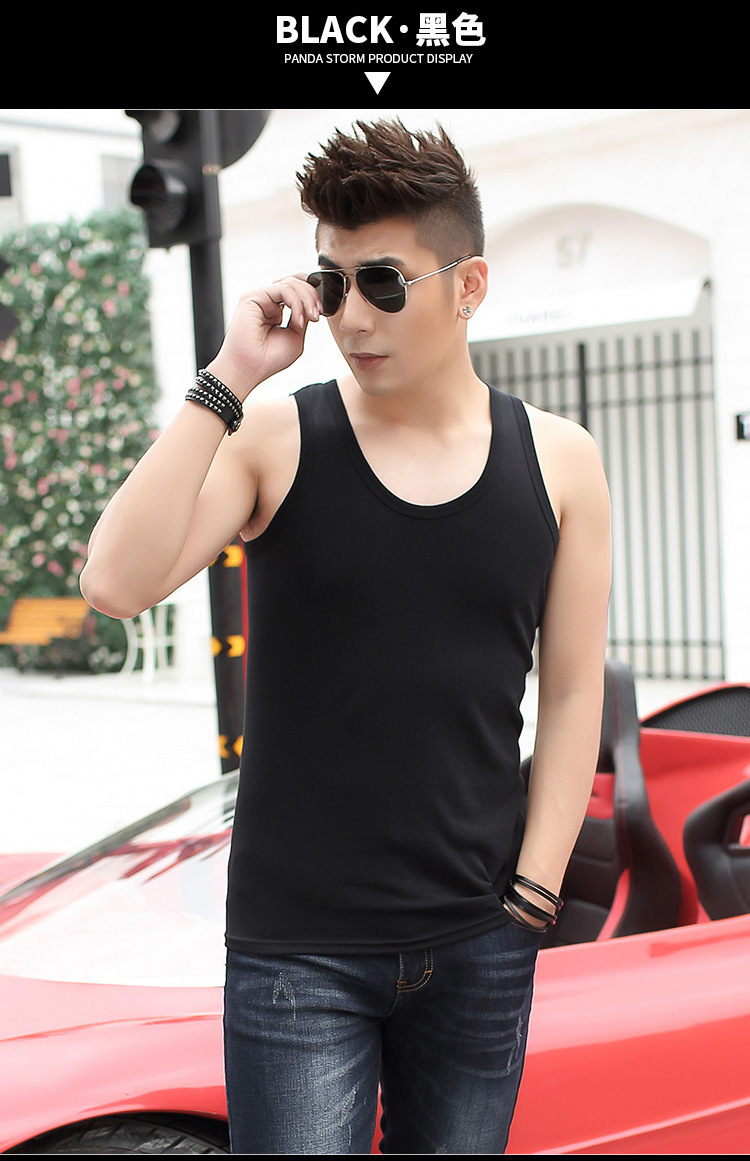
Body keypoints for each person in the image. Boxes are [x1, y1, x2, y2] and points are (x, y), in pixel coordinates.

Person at [80, 119, 611, 1155]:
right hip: (298, 953)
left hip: (480, 938)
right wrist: (230, 376)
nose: (350, 316)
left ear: (470, 285)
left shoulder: (562, 462)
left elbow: (572, 690)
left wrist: (534, 896)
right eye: (331, 284)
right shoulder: (278, 439)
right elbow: (113, 581)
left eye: (384, 283)